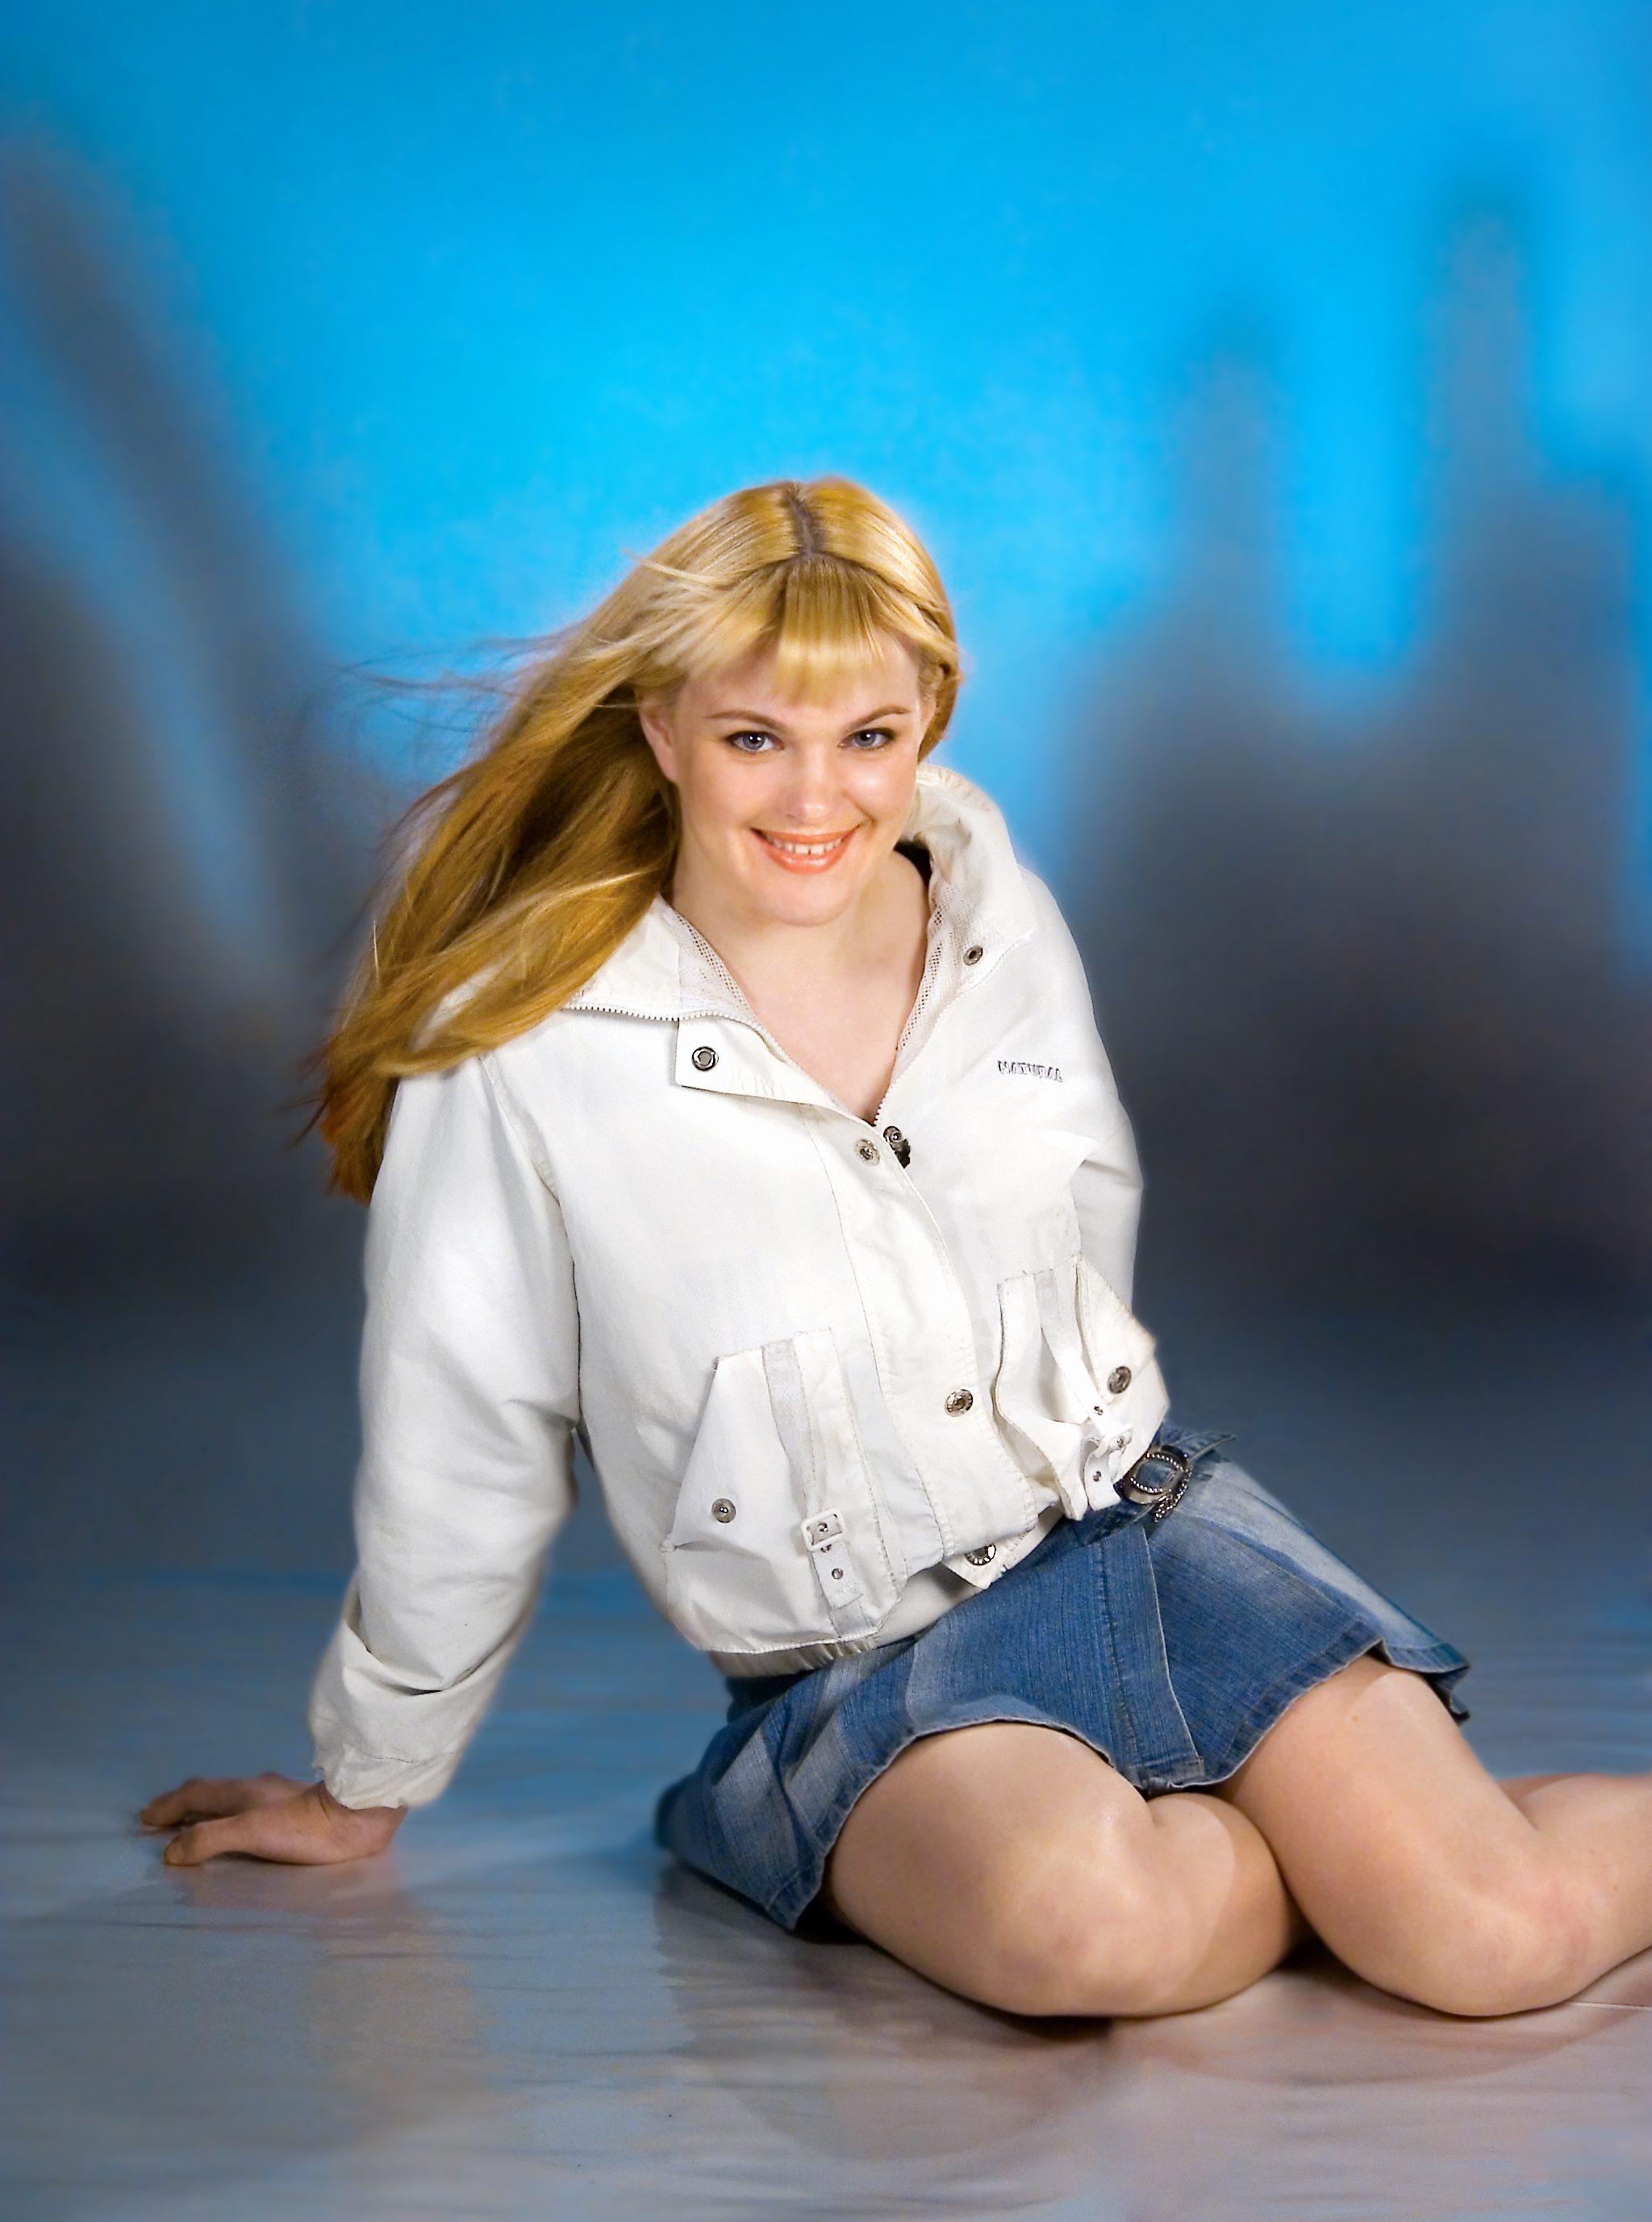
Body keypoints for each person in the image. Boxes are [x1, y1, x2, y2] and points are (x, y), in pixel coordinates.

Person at [142, 478, 1652, 2020]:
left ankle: (1384, 1858)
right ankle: (1322, 1854)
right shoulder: (524, 1045)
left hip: (1145, 1533)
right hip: (865, 1660)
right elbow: (464, 1433)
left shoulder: (996, 914)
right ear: (661, 727)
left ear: (929, 712)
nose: (818, 801)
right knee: (1091, 1941)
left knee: (1497, 1940)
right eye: (755, 739)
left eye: (866, 736)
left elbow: (1081, 1235)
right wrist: (370, 1774)